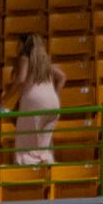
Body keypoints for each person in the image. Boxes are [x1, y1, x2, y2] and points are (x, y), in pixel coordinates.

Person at [6, 33, 67, 165]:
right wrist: (56, 95)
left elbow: (21, 80)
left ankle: (29, 178)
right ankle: (47, 176)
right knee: (43, 147)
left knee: (26, 147)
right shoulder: (44, 61)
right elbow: (62, 76)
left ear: (24, 45)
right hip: (52, 103)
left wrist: (3, 99)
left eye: (18, 44)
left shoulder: (25, 58)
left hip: (34, 104)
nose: (16, 47)